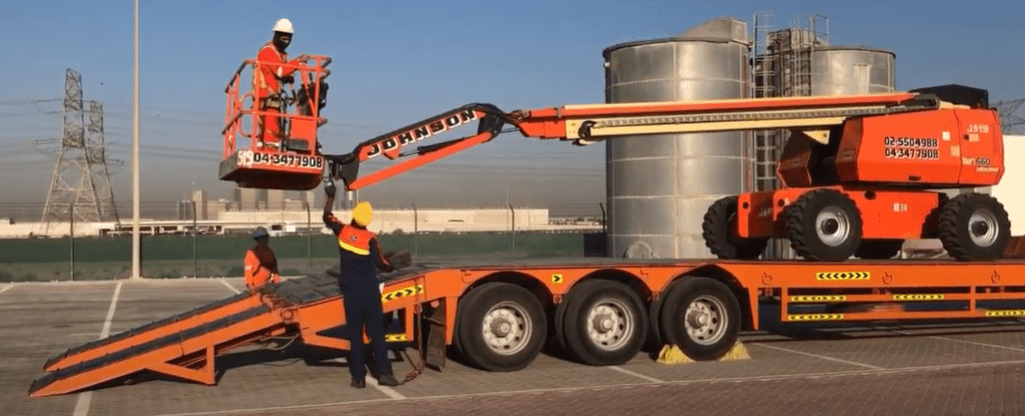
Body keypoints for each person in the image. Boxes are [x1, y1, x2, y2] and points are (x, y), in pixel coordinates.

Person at [322, 181, 402, 388]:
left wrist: (330, 196)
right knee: (377, 335)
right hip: (368, 292)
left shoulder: (342, 231)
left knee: (355, 336)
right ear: (369, 219)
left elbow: (327, 217)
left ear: (353, 215)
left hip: (350, 292)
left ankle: (358, 377)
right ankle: (384, 374)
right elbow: (380, 264)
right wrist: (391, 264)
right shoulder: (370, 238)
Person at [253, 18, 309, 150]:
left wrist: (289, 77)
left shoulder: (279, 54)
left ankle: (269, 153)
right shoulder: (268, 51)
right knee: (270, 132)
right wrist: (297, 62)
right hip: (266, 99)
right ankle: (268, 157)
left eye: (288, 39)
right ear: (276, 35)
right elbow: (279, 71)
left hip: (274, 99)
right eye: (284, 38)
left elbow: (281, 73)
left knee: (275, 132)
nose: (286, 42)